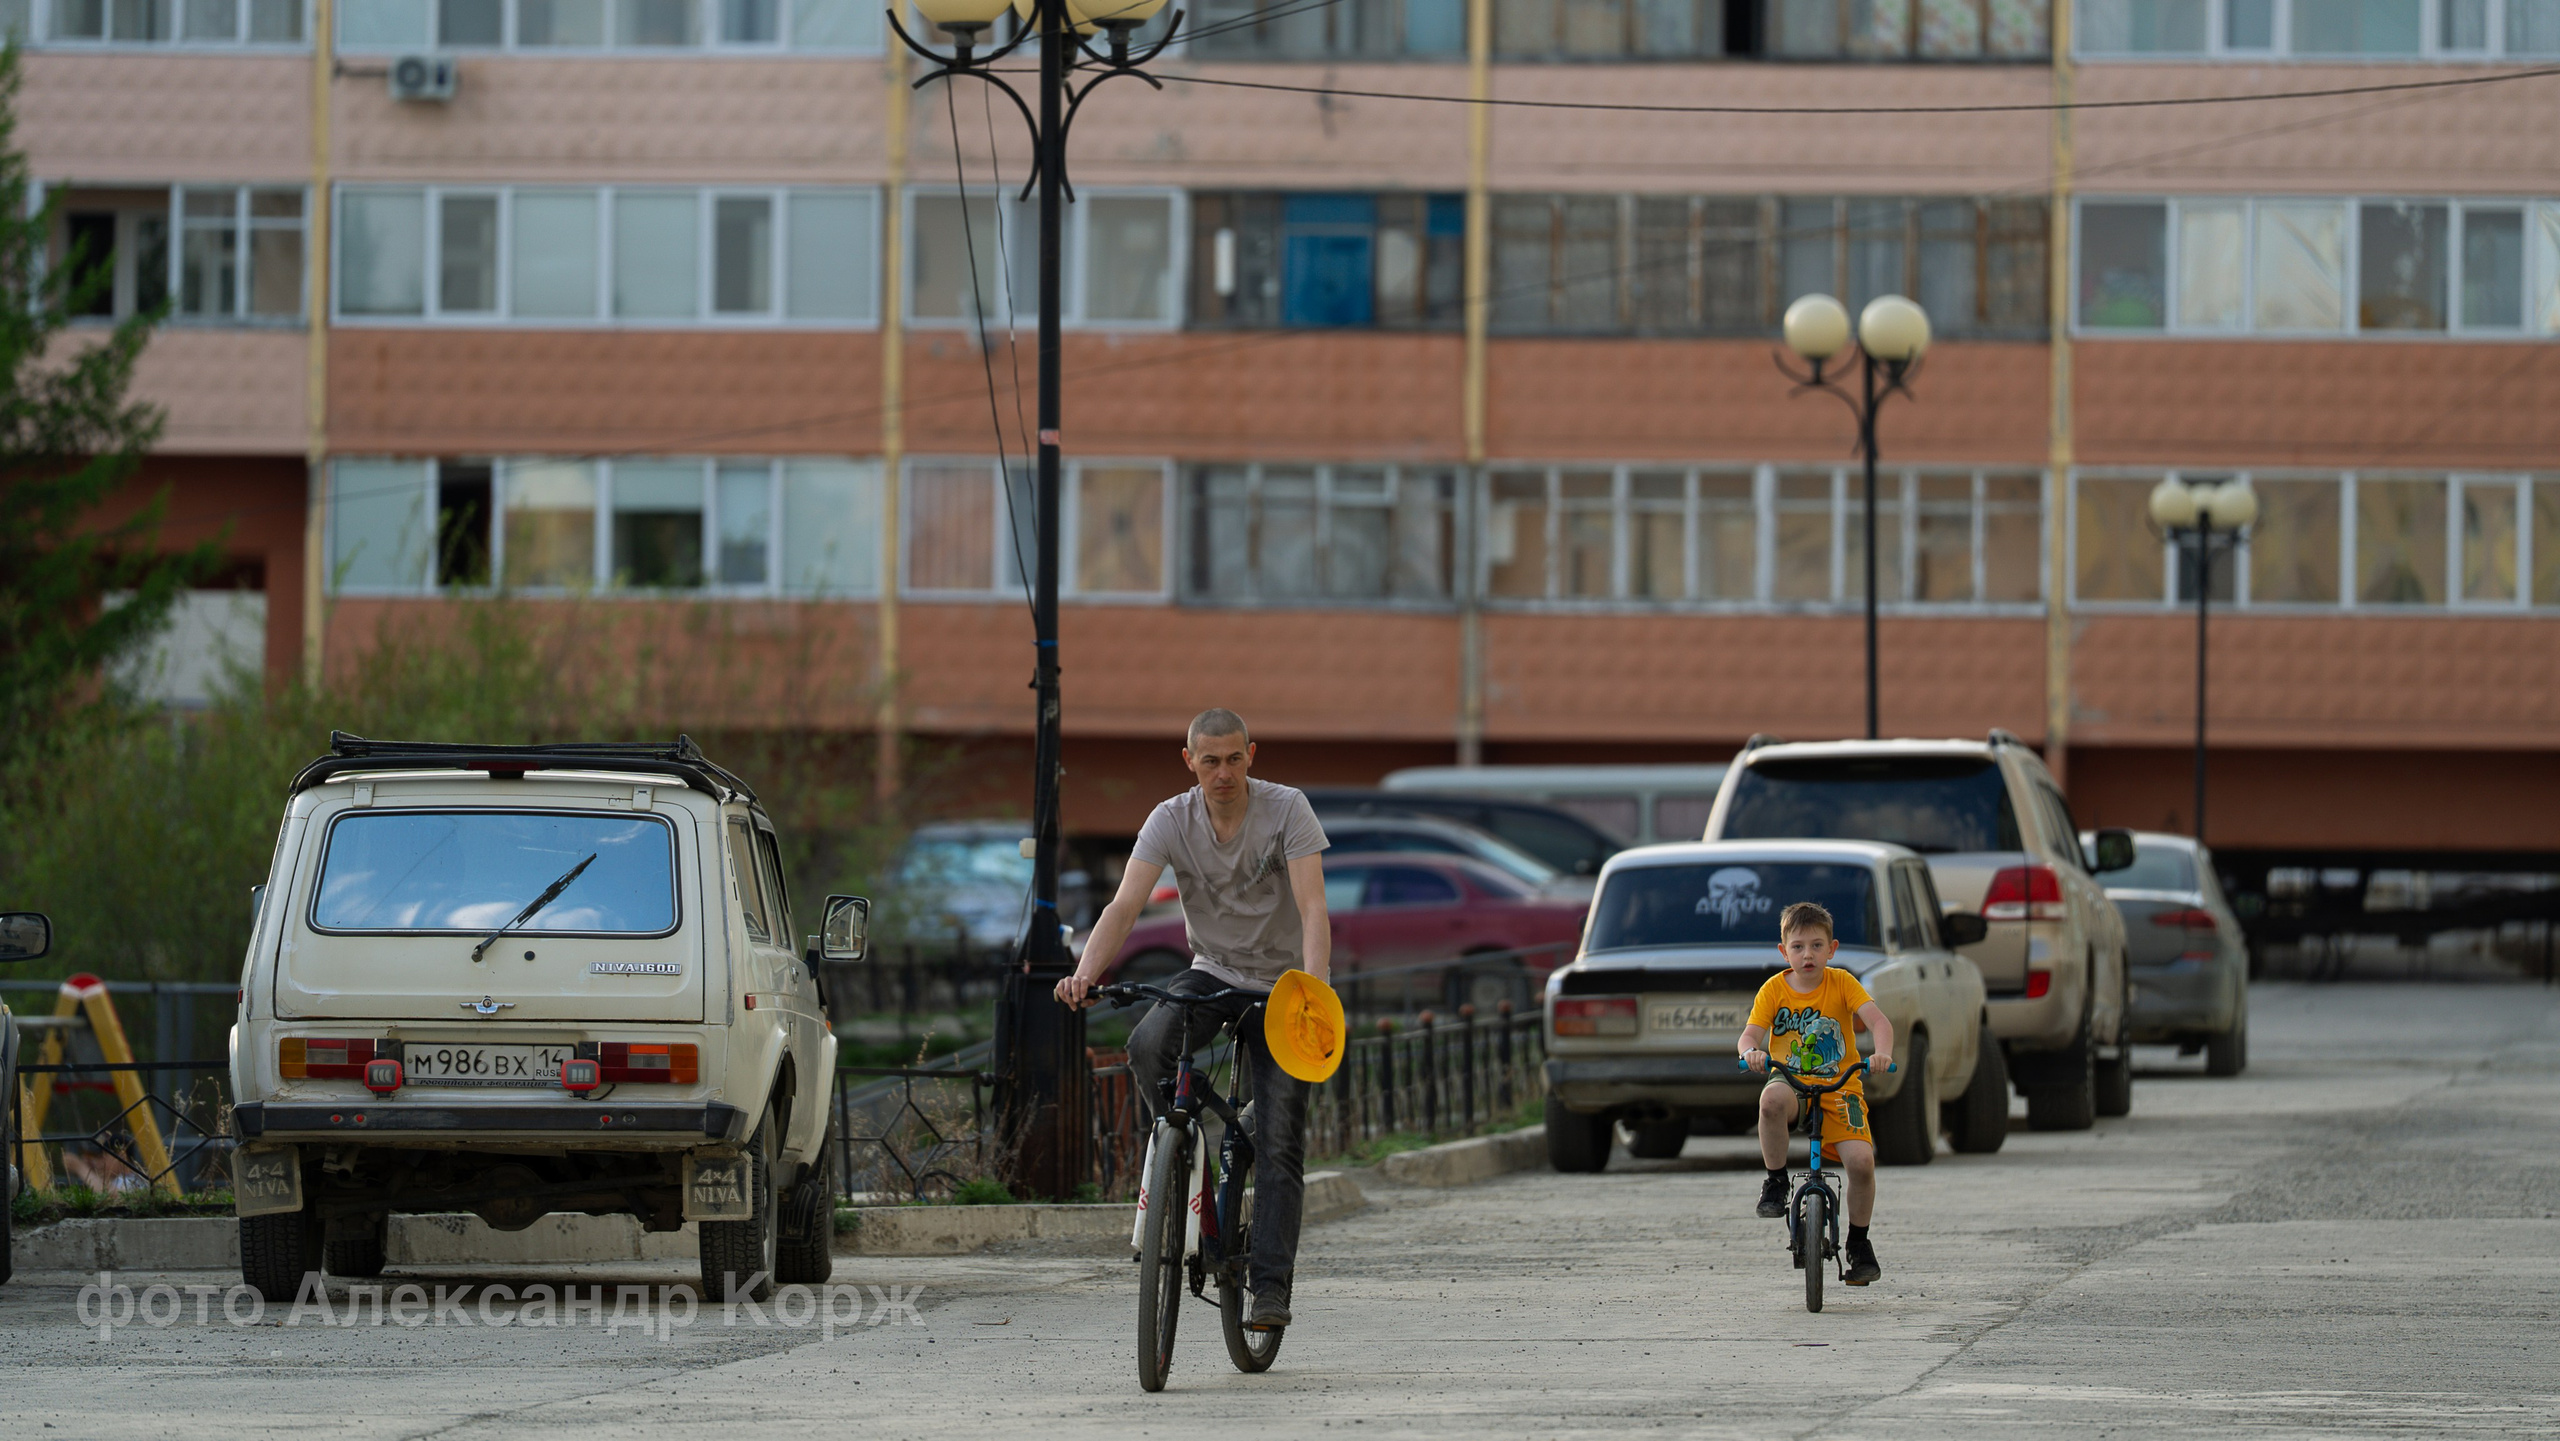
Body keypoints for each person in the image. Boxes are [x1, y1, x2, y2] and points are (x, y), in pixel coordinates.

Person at [1056, 707, 1330, 1332]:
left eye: (1234, 758)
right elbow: (1126, 904)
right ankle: (1183, 1149)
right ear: (1190, 762)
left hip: (1284, 985)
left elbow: (1314, 909)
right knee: (1148, 1043)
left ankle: (1267, 1290)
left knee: (1283, 1143)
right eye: (1210, 760)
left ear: (1251, 755)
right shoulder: (1169, 819)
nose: (1223, 772)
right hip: (1212, 970)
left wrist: (1314, 992)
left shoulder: (1288, 809)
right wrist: (1085, 972)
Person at [1738, 899, 1896, 1287]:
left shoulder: (1842, 982)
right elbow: (1749, 1035)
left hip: (1840, 1088)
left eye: (1816, 946)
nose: (1807, 955)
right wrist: (1751, 1053)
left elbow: (1878, 1021)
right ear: (1783, 951)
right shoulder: (1774, 990)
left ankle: (1858, 1244)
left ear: (1832, 948)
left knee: (1861, 1163)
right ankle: (1776, 1180)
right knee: (1770, 1100)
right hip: (1792, 1082)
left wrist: (1882, 1053)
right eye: (1797, 947)